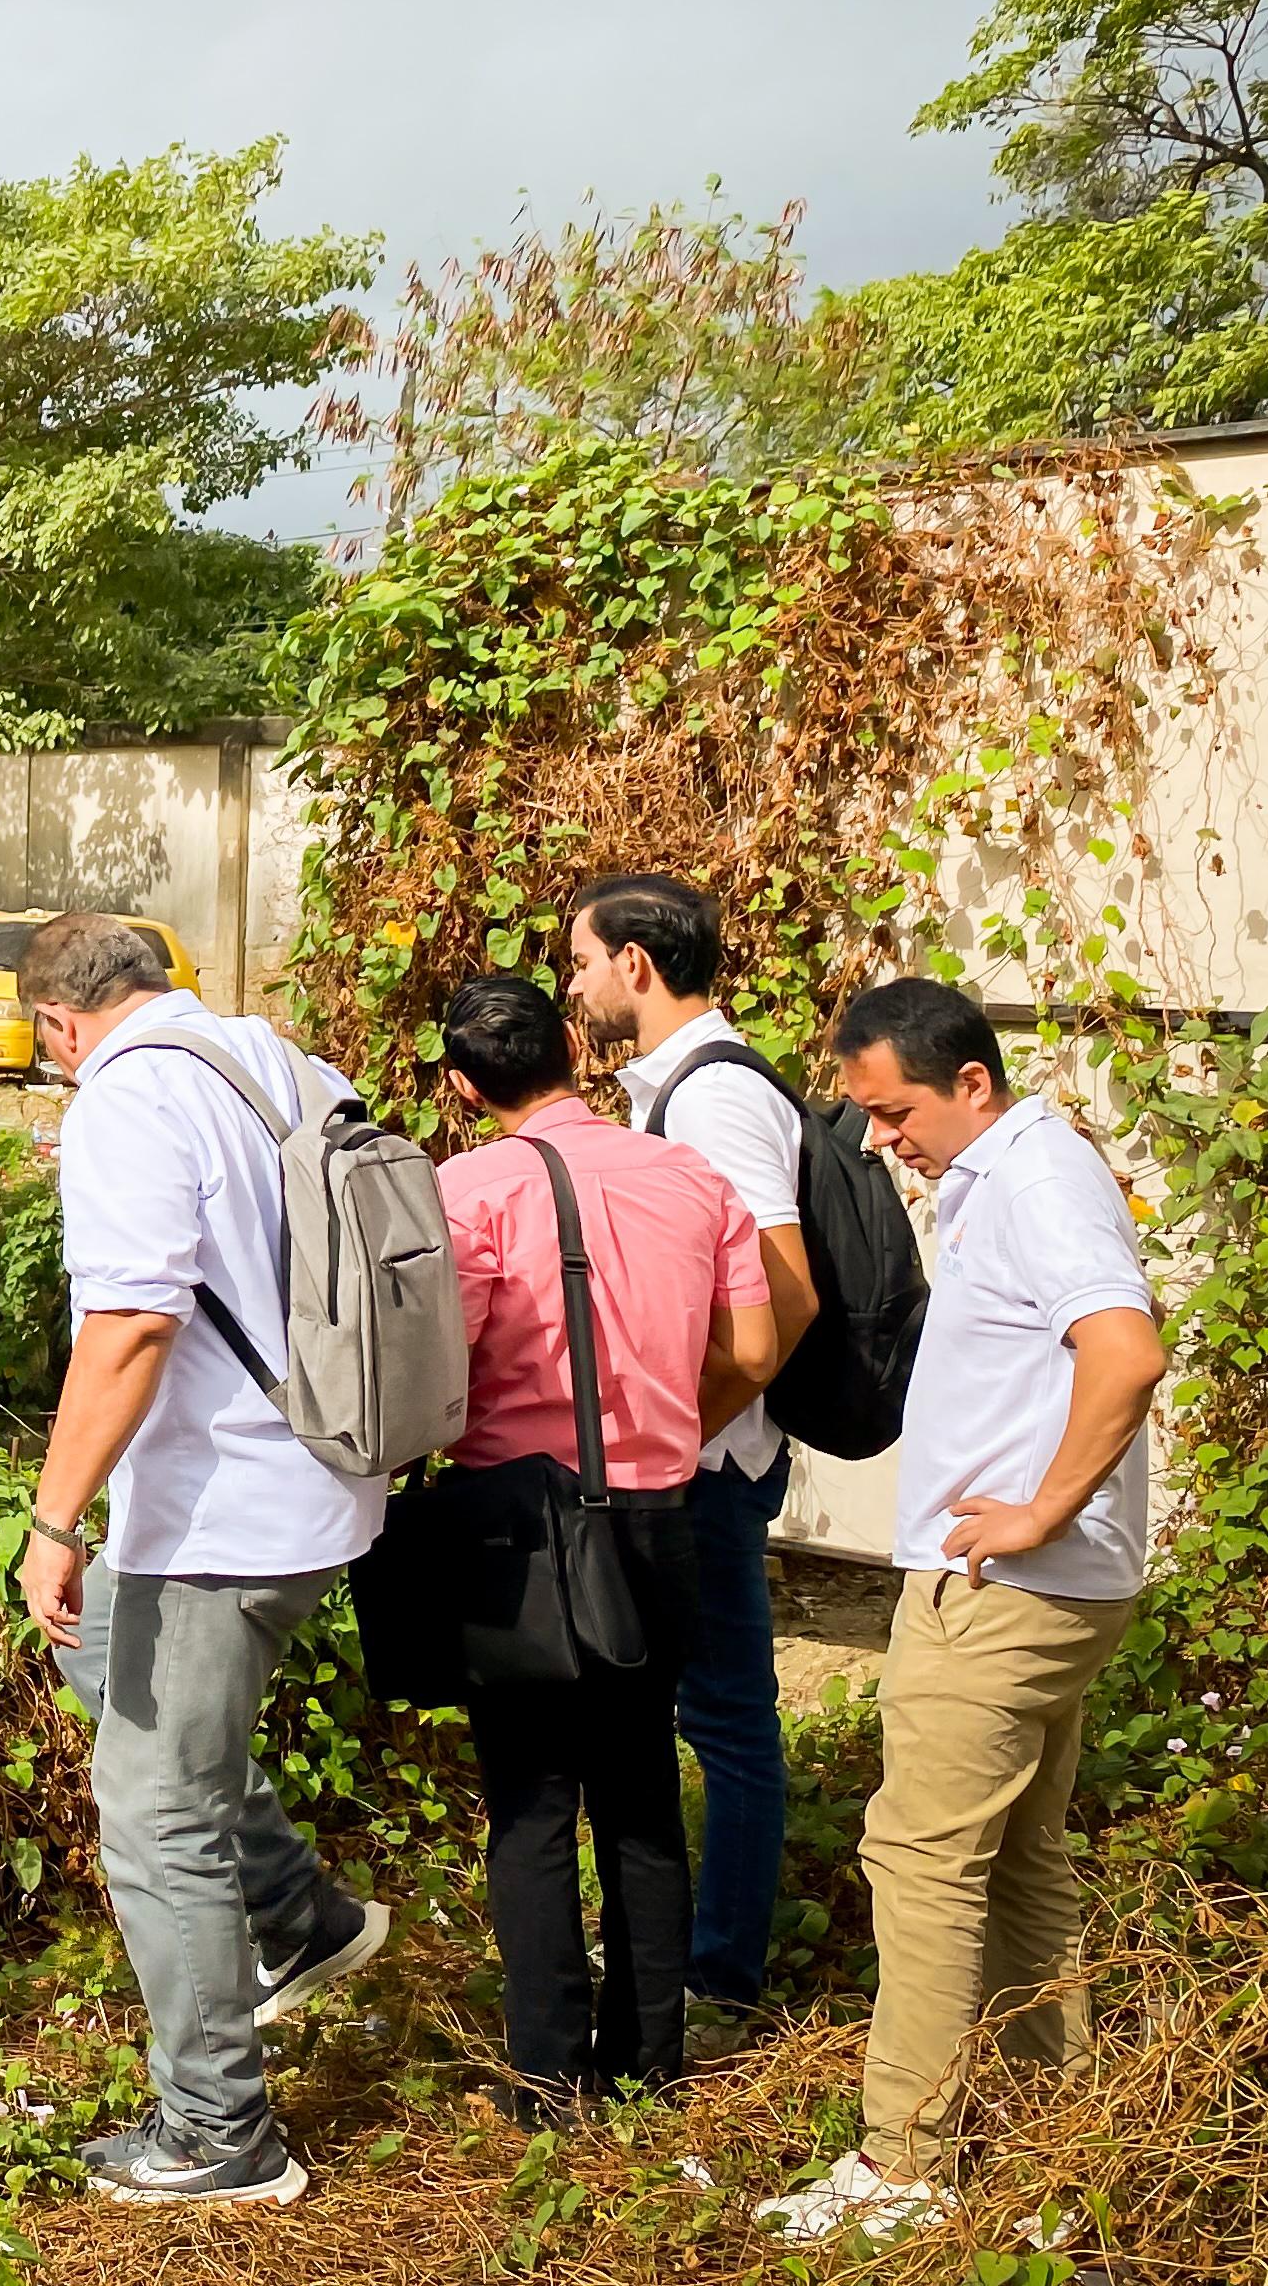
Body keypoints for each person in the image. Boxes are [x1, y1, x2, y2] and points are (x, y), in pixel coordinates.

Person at [758, 979, 1167, 2244]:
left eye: (894, 1112)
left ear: (971, 1085)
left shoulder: (1037, 1186)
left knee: (921, 1864)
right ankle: (1057, 2134)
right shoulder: (1016, 1173)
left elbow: (1127, 1350)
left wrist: (1039, 1512)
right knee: (1022, 1859)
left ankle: (904, 2165)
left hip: (1004, 1592)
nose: (882, 1141)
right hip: (1038, 1589)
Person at [12, 913, 390, 2208]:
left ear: (60, 1025)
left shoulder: (126, 1100)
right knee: (104, 1663)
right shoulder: (280, 1064)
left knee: (155, 1809)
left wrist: (53, 1520)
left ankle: (220, 2133)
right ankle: (301, 1918)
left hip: (221, 1518)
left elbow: (129, 1324)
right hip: (323, 1479)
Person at [430, 971, 778, 2107]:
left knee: (530, 1802)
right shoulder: (688, 1174)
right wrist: (669, 1427)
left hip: (514, 1531)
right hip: (658, 1513)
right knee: (639, 1787)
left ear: (460, 1085)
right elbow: (760, 1349)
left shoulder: (465, 1190)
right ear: (576, 1053)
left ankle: (544, 2073)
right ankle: (650, 2060)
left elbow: (444, 1371)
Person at [562, 873, 823, 2027]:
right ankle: (702, 1955)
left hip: (708, 1468)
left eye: (580, 962)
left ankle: (722, 1974)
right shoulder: (676, 1088)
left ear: (635, 965)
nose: (573, 985)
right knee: (700, 1710)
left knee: (727, 1721)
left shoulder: (712, 1100)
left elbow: (789, 1300)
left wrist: (675, 1437)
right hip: (703, 1457)